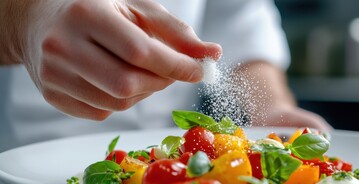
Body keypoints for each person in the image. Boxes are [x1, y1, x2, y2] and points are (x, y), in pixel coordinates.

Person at [0, 0, 331, 151]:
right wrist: (20, 23)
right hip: (23, 173)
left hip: (167, 175)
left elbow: (238, 17)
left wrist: (269, 108)